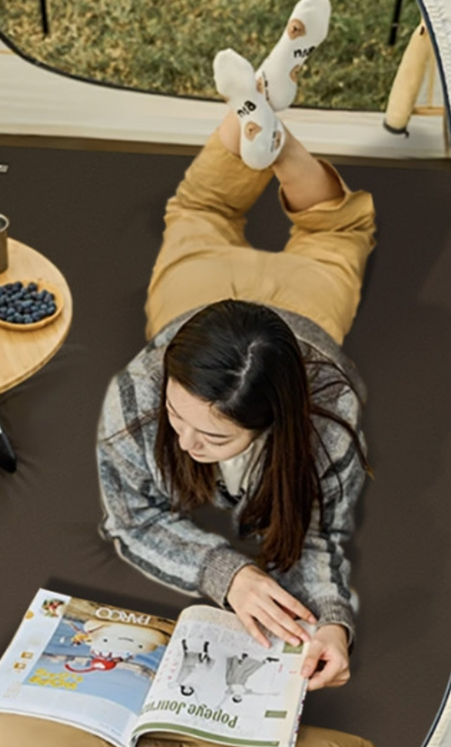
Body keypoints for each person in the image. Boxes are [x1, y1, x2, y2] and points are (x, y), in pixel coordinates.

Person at [96, 0, 376, 692]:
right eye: (179, 419)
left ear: (277, 419)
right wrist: (231, 573)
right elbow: (128, 517)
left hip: (290, 309)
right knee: (327, 232)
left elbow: (316, 537)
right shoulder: (141, 391)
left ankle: (265, 115)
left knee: (202, 211)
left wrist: (332, 623)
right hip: (209, 304)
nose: (185, 443)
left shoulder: (326, 415)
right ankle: (273, 133)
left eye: (213, 439)